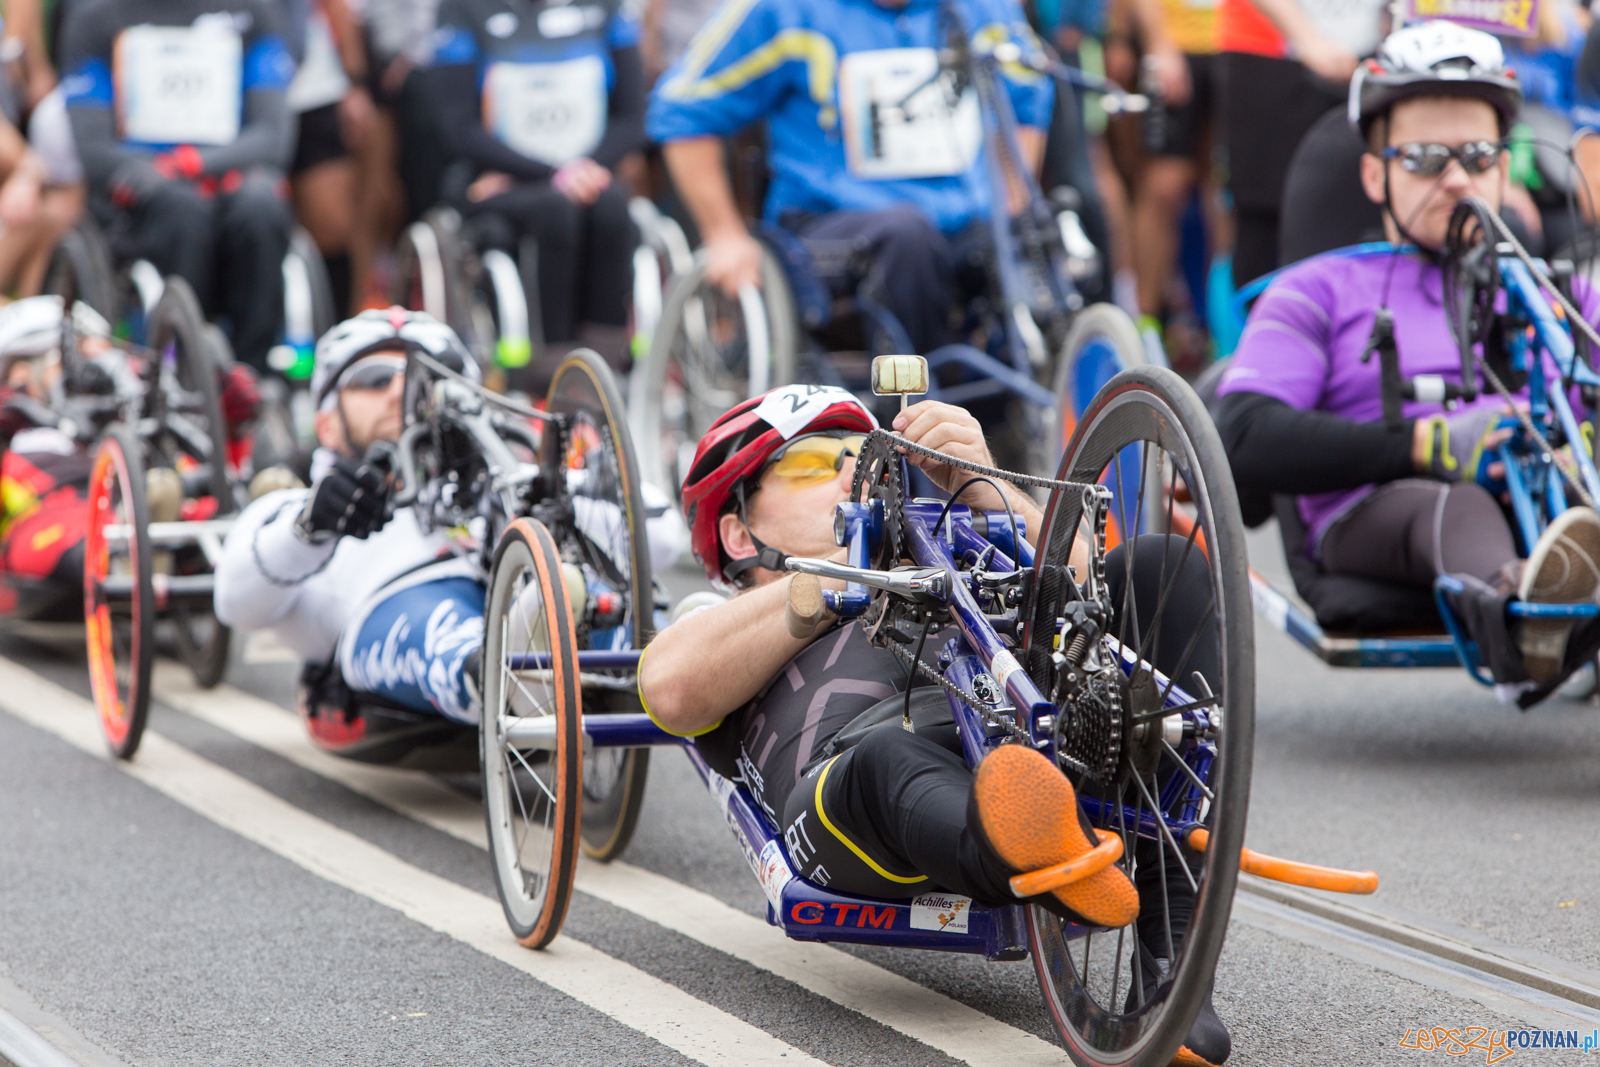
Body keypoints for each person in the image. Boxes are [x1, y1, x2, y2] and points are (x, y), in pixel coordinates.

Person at [639, 383, 1231, 1066]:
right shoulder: (715, 609)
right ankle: (1038, 843)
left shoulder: (947, 551)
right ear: (739, 531)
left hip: (1025, 735)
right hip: (852, 783)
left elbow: (1086, 587)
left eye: (861, 456)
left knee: (1159, 564)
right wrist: (841, 572)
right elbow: (670, 686)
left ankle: (1174, 971)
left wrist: (988, 488)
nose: (847, 472)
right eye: (809, 463)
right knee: (889, 758)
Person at [1214, 22, 1600, 702]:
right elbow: (1243, 432)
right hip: (1382, 513)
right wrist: (1427, 444)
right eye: (1424, 157)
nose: (1456, 179)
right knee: (1457, 502)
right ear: (1374, 171)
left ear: (1504, 168)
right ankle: (1530, 625)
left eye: (1478, 155)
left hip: (1550, 506)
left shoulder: (1555, 291)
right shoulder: (1315, 290)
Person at [213, 308, 684, 734]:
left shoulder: (513, 476)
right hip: (402, 612)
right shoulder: (299, 505)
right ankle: (512, 674)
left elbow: (663, 538)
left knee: (619, 605)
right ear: (326, 424)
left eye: (430, 376)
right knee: (438, 629)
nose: (401, 389)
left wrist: (557, 491)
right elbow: (234, 602)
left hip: (540, 589)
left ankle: (686, 649)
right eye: (374, 378)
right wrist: (312, 526)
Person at [644, 0, 1054, 356]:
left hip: (963, 224)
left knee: (1041, 241)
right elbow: (682, 108)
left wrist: (1011, 200)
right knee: (908, 238)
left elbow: (1030, 93)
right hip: (830, 230)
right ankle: (924, 418)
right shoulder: (784, 11)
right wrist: (724, 234)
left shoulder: (982, 9)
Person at [60, 0, 296, 372]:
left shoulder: (254, 11)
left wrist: (191, 164)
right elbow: (90, 144)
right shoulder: (98, 18)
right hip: (146, 191)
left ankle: (254, 371)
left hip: (224, 173)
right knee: (183, 211)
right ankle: (185, 366)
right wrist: (155, 171)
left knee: (261, 208)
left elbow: (272, 135)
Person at [426, 0, 647, 389]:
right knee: (556, 209)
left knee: (612, 206)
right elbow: (457, 127)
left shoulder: (606, 8)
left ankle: (607, 364)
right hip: (503, 180)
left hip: (588, 175)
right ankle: (550, 366)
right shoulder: (462, 9)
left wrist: (581, 170)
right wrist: (552, 174)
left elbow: (634, 116)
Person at [1217, 0, 1385, 288]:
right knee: (1263, 220)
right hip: (1270, 54)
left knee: (1365, 207)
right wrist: (1307, 38)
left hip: (1372, 60)